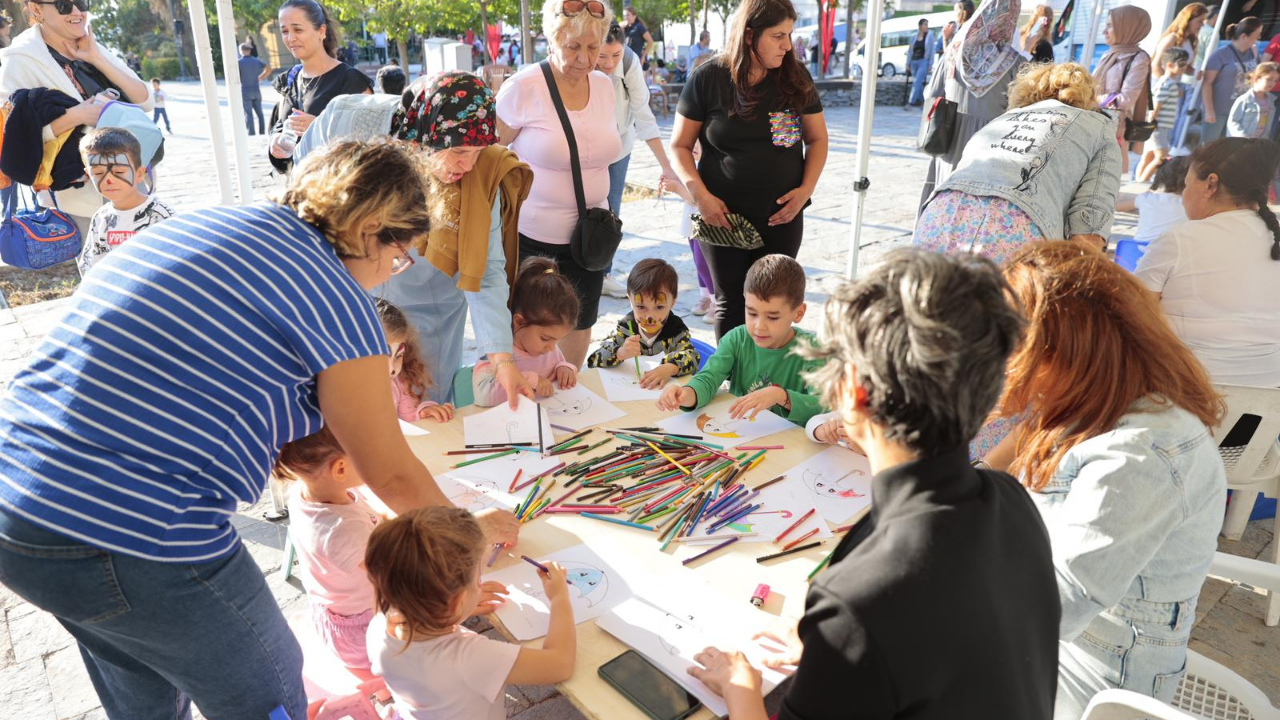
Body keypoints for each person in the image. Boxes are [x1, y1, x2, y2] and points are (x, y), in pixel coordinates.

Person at [0, 140, 520, 720]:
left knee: (141, 674)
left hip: (18, 499)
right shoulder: (333, 295)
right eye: (399, 256)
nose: (388, 275)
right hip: (133, 525)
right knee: (269, 694)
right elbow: (391, 470)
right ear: (371, 228)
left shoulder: (209, 223)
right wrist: (468, 534)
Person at [685, 249, 1059, 720]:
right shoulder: (1014, 502)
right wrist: (836, 645)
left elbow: (883, 616)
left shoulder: (857, 598)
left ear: (852, 393)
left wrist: (740, 687)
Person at [993, 241, 1227, 719]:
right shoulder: (1097, 397)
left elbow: (1052, 607)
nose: (1002, 363)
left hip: (1098, 676)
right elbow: (1004, 471)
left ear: (1065, 352)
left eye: (1012, 346)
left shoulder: (1138, 454)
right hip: (1063, 637)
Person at [296, 73, 537, 409]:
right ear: (422, 137)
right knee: (352, 402)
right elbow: (303, 188)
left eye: (479, 152)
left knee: (424, 403)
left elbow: (487, 270)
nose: (468, 165)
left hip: (429, 310)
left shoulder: (480, 176)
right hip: (351, 297)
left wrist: (502, 361)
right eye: (459, 150)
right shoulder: (348, 122)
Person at [672, 0, 828, 339]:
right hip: (722, 217)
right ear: (749, 35)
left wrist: (805, 191)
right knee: (731, 303)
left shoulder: (795, 77)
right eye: (778, 36)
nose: (788, 46)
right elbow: (680, 146)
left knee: (773, 302)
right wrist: (700, 197)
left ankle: (767, 370)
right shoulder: (708, 78)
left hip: (781, 217)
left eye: (789, 35)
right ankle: (732, 371)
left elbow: (817, 139)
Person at [496, 0, 621, 369]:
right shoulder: (524, 87)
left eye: (593, 47)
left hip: (590, 238)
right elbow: (490, 155)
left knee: (580, 319)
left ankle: (569, 386)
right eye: (573, 46)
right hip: (534, 240)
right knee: (531, 326)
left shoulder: (604, 86)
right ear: (551, 39)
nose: (585, 59)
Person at [366, 507, 576, 720]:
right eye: (477, 580)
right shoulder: (470, 657)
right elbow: (560, 665)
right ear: (457, 602)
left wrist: (451, 612)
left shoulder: (378, 626)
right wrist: (559, 597)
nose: (480, 585)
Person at [916, 63, 1121, 257]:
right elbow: (1091, 219)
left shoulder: (1001, 120)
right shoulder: (1099, 126)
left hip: (938, 216)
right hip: (1014, 227)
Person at [1135, 137, 1280, 387]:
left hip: (1186, 390)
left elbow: (1132, 315)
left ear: (1211, 184)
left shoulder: (1178, 240)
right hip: (1269, 394)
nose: (1183, 196)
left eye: (1186, 184)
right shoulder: (1273, 238)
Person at [0, 0, 153, 235]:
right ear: (37, 9)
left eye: (81, 3)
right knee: (98, 257)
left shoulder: (91, 45)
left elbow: (145, 100)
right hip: (82, 199)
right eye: (64, 5)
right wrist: (77, 115)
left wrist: (96, 58)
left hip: (134, 182)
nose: (76, 12)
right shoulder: (20, 59)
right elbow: (13, 138)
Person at [656, 254, 825, 427]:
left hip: (793, 440)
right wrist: (686, 394)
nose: (759, 326)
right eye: (752, 313)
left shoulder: (815, 351)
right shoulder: (737, 339)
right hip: (741, 431)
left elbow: (824, 407)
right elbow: (709, 378)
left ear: (799, 313)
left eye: (772, 317)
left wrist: (781, 396)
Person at [277, 425, 383, 673]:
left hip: (337, 615)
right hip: (363, 635)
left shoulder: (307, 490)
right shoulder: (341, 529)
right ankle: (386, 686)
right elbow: (394, 574)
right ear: (340, 469)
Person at [595, 20, 689, 299]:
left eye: (615, 54)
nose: (609, 63)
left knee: (611, 211)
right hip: (585, 149)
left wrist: (666, 166)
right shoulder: (581, 62)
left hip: (619, 146)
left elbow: (643, 115)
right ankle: (581, 271)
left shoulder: (629, 62)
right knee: (581, 207)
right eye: (602, 56)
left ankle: (603, 274)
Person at [917, 0, 1024, 211]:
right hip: (991, 149)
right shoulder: (1016, 63)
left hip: (950, 141)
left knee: (942, 205)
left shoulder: (954, 52)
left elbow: (930, 93)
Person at [268, 0, 373, 172]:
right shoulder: (289, 79)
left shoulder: (350, 80)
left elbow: (372, 141)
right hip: (301, 183)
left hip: (339, 183)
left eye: (298, 30)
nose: (291, 38)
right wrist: (275, 140)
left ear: (321, 31)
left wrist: (319, 126)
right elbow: (279, 124)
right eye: (285, 31)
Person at [472, 257, 580, 407]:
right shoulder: (498, 352)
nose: (551, 348)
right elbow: (484, 397)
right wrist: (530, 380)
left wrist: (564, 368)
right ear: (519, 322)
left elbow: (557, 364)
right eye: (545, 339)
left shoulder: (547, 348)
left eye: (557, 340)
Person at [74, 127, 175, 277]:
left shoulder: (161, 215)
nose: (109, 180)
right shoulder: (101, 218)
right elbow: (92, 265)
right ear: (88, 174)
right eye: (98, 173)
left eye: (119, 172)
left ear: (139, 174)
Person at [587, 258, 701, 388]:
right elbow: (593, 360)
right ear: (630, 300)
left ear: (672, 302)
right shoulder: (625, 328)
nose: (650, 316)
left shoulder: (676, 330)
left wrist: (669, 368)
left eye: (659, 307)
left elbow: (693, 358)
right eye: (641, 307)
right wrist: (619, 353)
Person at [1092, 6, 1151, 176]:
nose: (1104, 31)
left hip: (1114, 126)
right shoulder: (1110, 54)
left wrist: (1092, 99)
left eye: (1110, 26)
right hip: (1096, 119)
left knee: (1105, 174)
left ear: (1127, 27)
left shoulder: (1139, 58)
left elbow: (1127, 98)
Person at [377, 299, 455, 423]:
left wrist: (423, 412)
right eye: (382, 357)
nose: (392, 369)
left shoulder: (398, 383)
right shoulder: (345, 393)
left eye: (398, 356)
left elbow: (410, 417)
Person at [1201, 16, 1263, 143]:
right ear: (1244, 36)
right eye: (1257, 34)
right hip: (1218, 110)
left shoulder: (1253, 52)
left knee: (1231, 147)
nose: (1259, 38)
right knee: (1209, 146)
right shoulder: (1220, 54)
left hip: (1241, 111)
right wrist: (1209, 110)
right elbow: (1207, 83)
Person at [1137, 48, 1190, 181]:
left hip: (1158, 126)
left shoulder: (1167, 82)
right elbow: (1156, 104)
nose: (1184, 67)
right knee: (1162, 157)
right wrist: (1152, 122)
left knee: (1149, 156)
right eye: (1182, 64)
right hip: (1158, 126)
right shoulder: (1167, 83)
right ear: (1170, 65)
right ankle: (1142, 182)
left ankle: (1138, 181)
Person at [1115, 155, 1190, 245]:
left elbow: (1118, 207)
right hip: (1168, 252)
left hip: (1135, 250)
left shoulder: (1145, 199)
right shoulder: (1189, 205)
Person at [1152, 3, 1206, 81]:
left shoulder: (1190, 41)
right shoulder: (1172, 38)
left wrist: (1195, 72)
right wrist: (1166, 84)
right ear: (1188, 20)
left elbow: (1183, 67)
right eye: (1200, 21)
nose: (1202, 25)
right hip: (1159, 85)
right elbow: (1155, 65)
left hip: (1174, 85)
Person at [1228, 62, 1280, 137]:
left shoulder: (1272, 101)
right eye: (1269, 79)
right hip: (1242, 141)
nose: (1272, 83)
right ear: (1256, 79)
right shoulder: (1244, 100)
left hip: (1260, 141)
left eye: (1275, 80)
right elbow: (1233, 122)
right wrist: (1244, 138)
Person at [239, 41, 271, 135]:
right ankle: (262, 132)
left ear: (241, 51)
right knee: (260, 113)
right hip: (256, 90)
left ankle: (251, 133)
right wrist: (261, 77)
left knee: (248, 114)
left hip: (245, 90)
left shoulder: (239, 63)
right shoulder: (256, 61)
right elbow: (268, 69)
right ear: (249, 51)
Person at [907, 19, 937, 107]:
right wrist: (907, 64)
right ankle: (923, 102)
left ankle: (910, 102)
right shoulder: (914, 37)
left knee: (917, 81)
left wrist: (931, 63)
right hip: (913, 61)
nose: (926, 26)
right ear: (920, 26)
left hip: (923, 61)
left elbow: (932, 51)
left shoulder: (930, 37)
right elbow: (910, 51)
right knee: (918, 83)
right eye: (925, 24)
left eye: (927, 24)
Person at [1197, 5, 1221, 69]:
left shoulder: (1196, 28)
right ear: (1215, 16)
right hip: (1201, 69)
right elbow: (1211, 57)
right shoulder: (1212, 33)